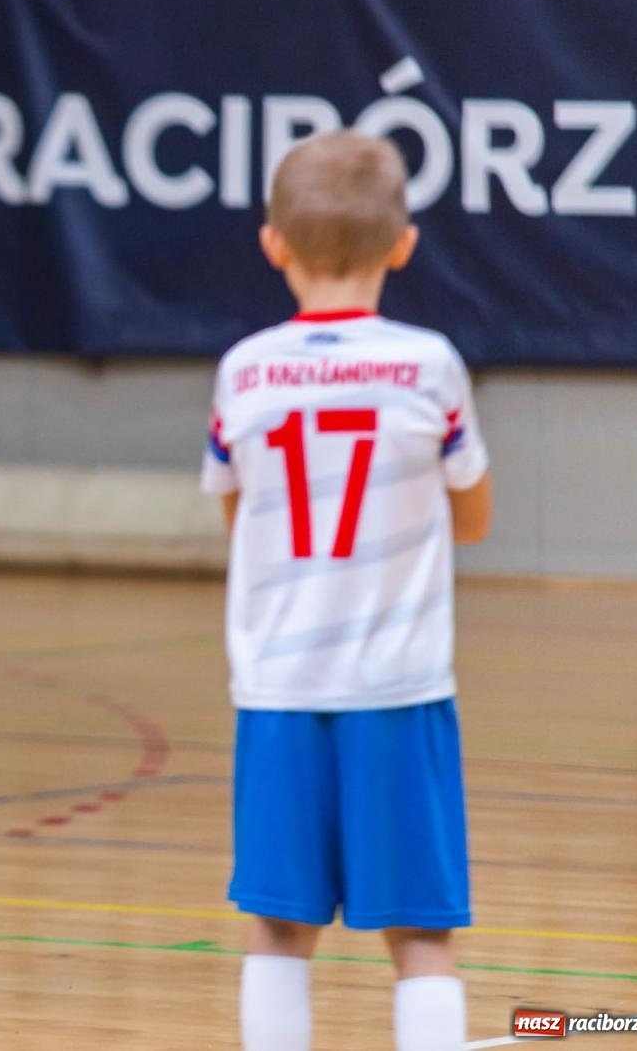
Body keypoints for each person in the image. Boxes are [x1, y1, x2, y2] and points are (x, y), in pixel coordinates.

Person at [199, 130, 493, 1051]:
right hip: (398, 692)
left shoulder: (243, 370)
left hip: (279, 693)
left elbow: (237, 513)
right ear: (403, 245)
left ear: (272, 244)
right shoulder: (431, 364)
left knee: (281, 931)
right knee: (422, 937)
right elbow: (474, 517)